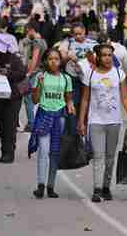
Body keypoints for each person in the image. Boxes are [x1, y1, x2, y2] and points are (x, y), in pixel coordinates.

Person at [78, 44, 127, 203]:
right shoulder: (90, 75)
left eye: (110, 55)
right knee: (98, 156)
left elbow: (125, 97)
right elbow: (85, 99)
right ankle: (97, 189)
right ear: (98, 56)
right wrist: (81, 121)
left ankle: (106, 186)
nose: (107, 58)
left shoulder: (119, 74)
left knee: (110, 157)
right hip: (95, 121)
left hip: (114, 121)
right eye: (104, 55)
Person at [31, 49, 75, 199]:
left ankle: (51, 186)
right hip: (44, 114)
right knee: (43, 150)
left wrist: (70, 105)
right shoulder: (40, 76)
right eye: (50, 59)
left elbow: (68, 98)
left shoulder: (66, 78)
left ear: (60, 61)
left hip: (60, 117)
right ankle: (40, 185)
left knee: (55, 152)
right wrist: (40, 85)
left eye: (56, 59)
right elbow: (35, 99)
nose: (53, 62)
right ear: (45, 61)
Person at [0, 38, 27, 163]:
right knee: (1, 125)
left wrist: (8, 73)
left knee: (10, 125)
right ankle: (4, 151)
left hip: (13, 97)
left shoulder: (14, 59)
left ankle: (9, 153)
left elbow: (21, 73)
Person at [24, 21, 48, 132]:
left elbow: (34, 58)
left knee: (28, 99)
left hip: (35, 73)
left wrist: (29, 73)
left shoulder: (36, 42)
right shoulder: (43, 41)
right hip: (41, 72)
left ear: (31, 29)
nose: (26, 33)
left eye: (27, 31)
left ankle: (31, 123)